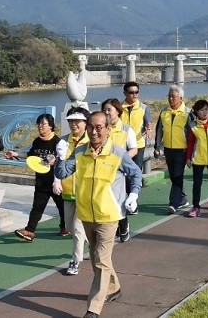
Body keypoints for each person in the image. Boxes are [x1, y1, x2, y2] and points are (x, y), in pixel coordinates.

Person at [55, 111, 142, 318]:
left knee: (101, 260)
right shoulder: (79, 152)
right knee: (97, 259)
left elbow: (135, 173)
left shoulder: (117, 153)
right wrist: (60, 157)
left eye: (99, 127)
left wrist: (134, 193)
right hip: (86, 214)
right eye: (91, 127)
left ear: (108, 129)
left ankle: (93, 309)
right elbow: (62, 173)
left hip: (109, 214)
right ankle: (114, 288)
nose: (94, 132)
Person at [7, 113, 66, 241]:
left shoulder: (58, 142)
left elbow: (64, 161)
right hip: (41, 181)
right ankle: (29, 231)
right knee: (37, 207)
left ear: (51, 126)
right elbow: (30, 156)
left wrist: (55, 162)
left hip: (55, 181)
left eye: (43, 124)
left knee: (62, 207)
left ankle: (64, 227)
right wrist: (15, 153)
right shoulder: (37, 141)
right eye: (38, 124)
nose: (40, 126)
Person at [53, 107, 90, 276]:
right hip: (68, 190)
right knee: (69, 226)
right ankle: (92, 241)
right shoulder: (63, 141)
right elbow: (58, 164)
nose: (73, 124)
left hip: (85, 191)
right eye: (70, 121)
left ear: (85, 123)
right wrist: (57, 180)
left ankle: (75, 261)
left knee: (77, 226)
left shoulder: (91, 141)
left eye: (77, 121)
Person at [102, 98, 138, 242]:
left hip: (118, 171)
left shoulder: (126, 129)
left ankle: (123, 226)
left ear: (117, 111)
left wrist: (121, 161)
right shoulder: (100, 128)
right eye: (104, 110)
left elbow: (133, 149)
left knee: (118, 201)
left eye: (109, 110)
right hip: (101, 169)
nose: (106, 112)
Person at [153, 85, 193, 214]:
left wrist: (191, 154)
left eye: (173, 97)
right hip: (168, 150)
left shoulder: (187, 113)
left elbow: (192, 134)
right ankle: (183, 199)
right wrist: (157, 146)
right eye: (169, 96)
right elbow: (159, 130)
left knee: (177, 176)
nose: (171, 99)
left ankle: (173, 203)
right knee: (174, 177)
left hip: (182, 151)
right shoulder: (164, 112)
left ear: (181, 98)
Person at [120, 81, 152, 171]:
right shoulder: (119, 108)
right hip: (122, 144)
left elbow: (148, 122)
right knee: (123, 170)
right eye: (131, 92)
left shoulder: (143, 107)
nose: (134, 95)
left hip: (138, 144)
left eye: (136, 92)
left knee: (136, 170)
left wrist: (148, 129)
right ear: (125, 93)